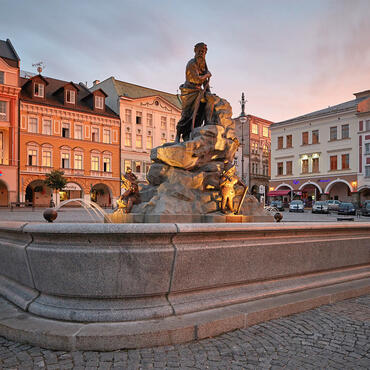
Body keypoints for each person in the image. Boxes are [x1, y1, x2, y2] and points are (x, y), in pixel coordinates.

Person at [175, 42, 217, 142]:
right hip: (189, 91)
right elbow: (197, 80)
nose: (202, 53)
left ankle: (205, 126)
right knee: (186, 114)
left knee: (200, 110)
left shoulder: (202, 63)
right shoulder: (191, 63)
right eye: (200, 51)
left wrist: (208, 93)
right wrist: (207, 75)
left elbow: (205, 82)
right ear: (195, 51)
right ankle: (177, 135)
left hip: (198, 91)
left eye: (204, 51)